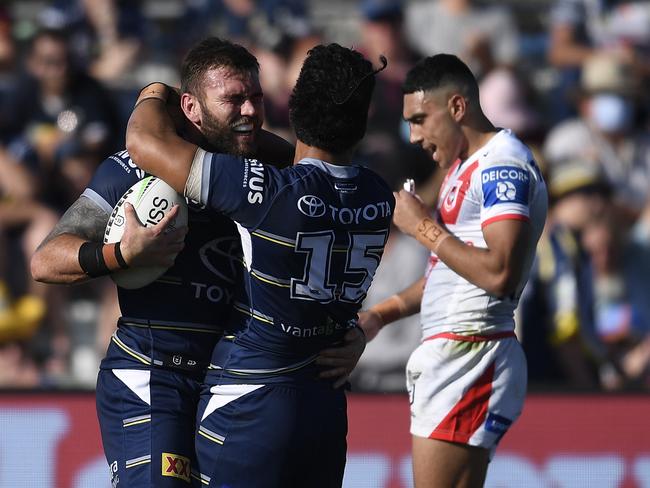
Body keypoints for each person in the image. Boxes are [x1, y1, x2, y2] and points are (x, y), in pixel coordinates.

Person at [31, 37, 363, 487]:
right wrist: (121, 254)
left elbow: (326, 263)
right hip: (153, 376)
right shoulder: (134, 170)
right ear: (190, 106)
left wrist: (352, 331)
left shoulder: (277, 169)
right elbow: (47, 260)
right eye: (233, 99)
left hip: (233, 388)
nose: (249, 110)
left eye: (256, 98)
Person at [125, 43, 392, 487]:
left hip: (250, 400)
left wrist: (155, 92)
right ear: (362, 122)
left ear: (294, 109)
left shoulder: (267, 192)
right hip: (325, 405)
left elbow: (144, 142)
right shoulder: (379, 196)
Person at [359, 54, 548, 487]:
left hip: (472, 352)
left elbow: (499, 273)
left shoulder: (503, 165)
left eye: (421, 119)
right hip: (457, 354)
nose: (414, 136)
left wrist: (421, 226)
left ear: (458, 108)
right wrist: (381, 315)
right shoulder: (463, 166)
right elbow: (452, 272)